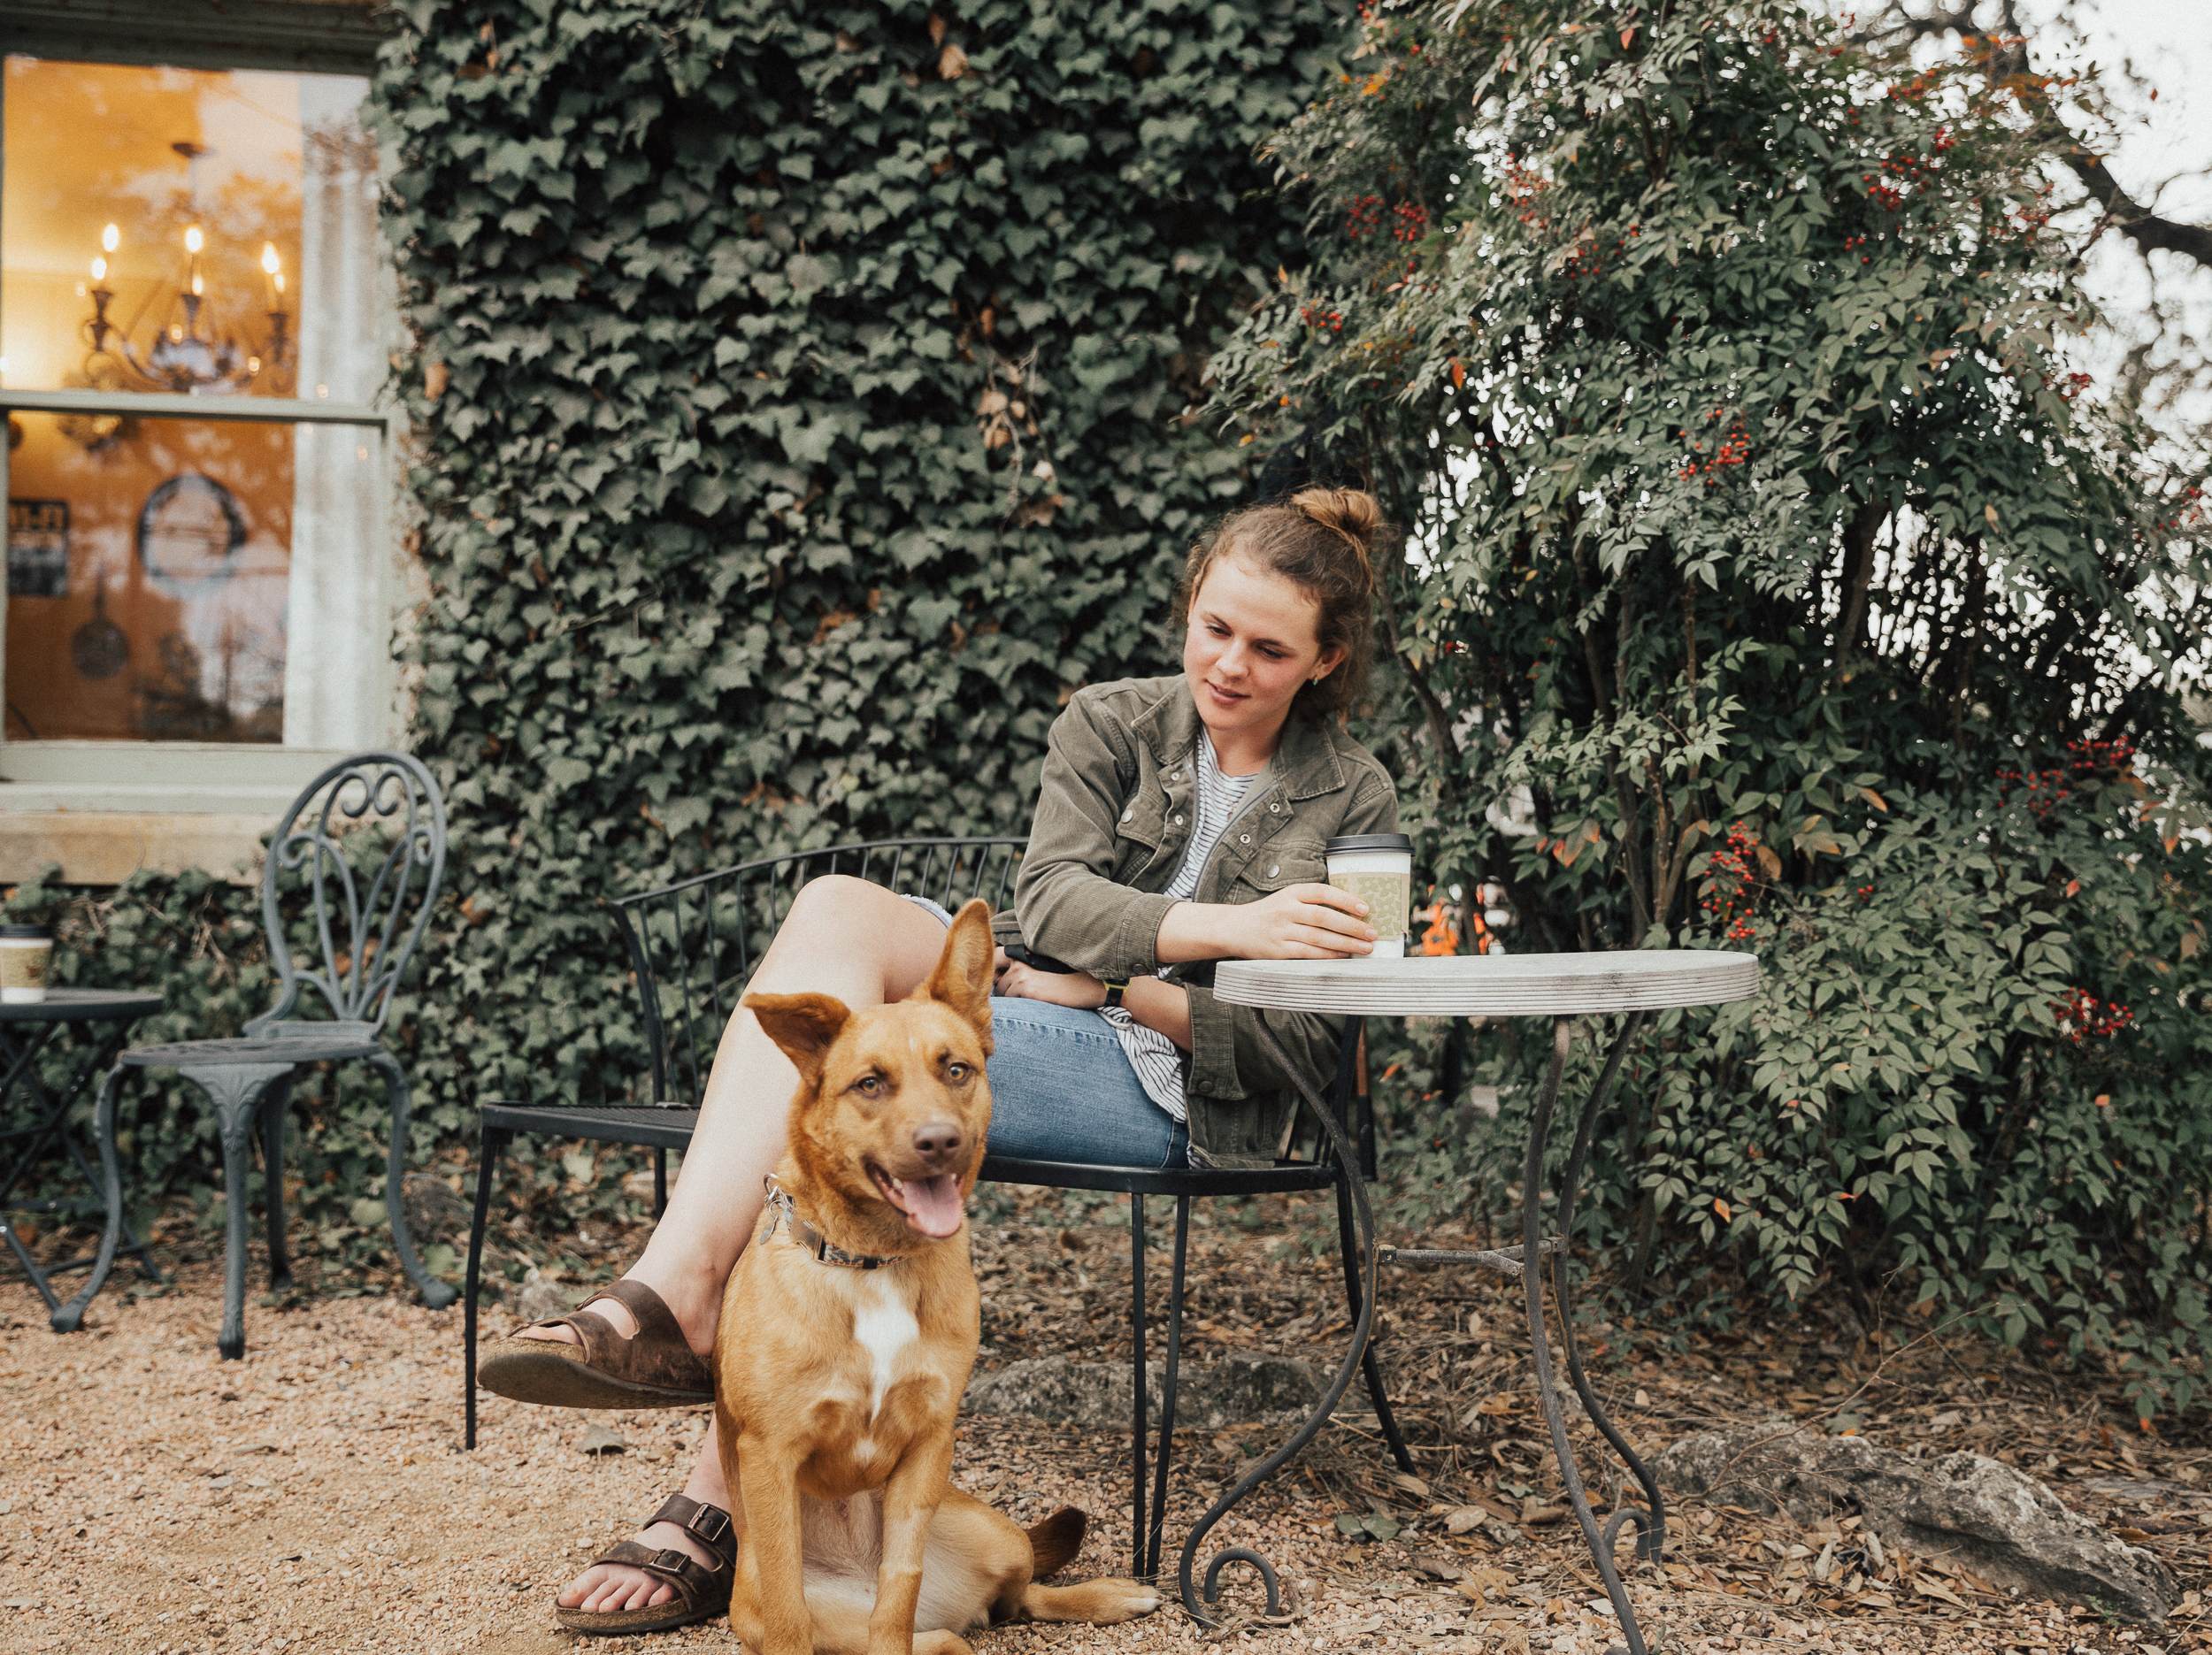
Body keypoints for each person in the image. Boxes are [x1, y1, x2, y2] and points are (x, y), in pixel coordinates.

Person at [478, 487, 1403, 1635]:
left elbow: (1311, 1041)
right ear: (1190, 607)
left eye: (1269, 650)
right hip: (1031, 1012)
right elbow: (1049, 905)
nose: (1228, 666)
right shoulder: (1113, 723)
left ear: (1326, 661)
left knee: (861, 1096)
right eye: (1214, 628)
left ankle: (708, 1467)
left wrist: (1125, 987)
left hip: (1170, 1085)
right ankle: (684, 1290)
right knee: (836, 917)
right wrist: (1228, 933)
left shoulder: (1358, 798)